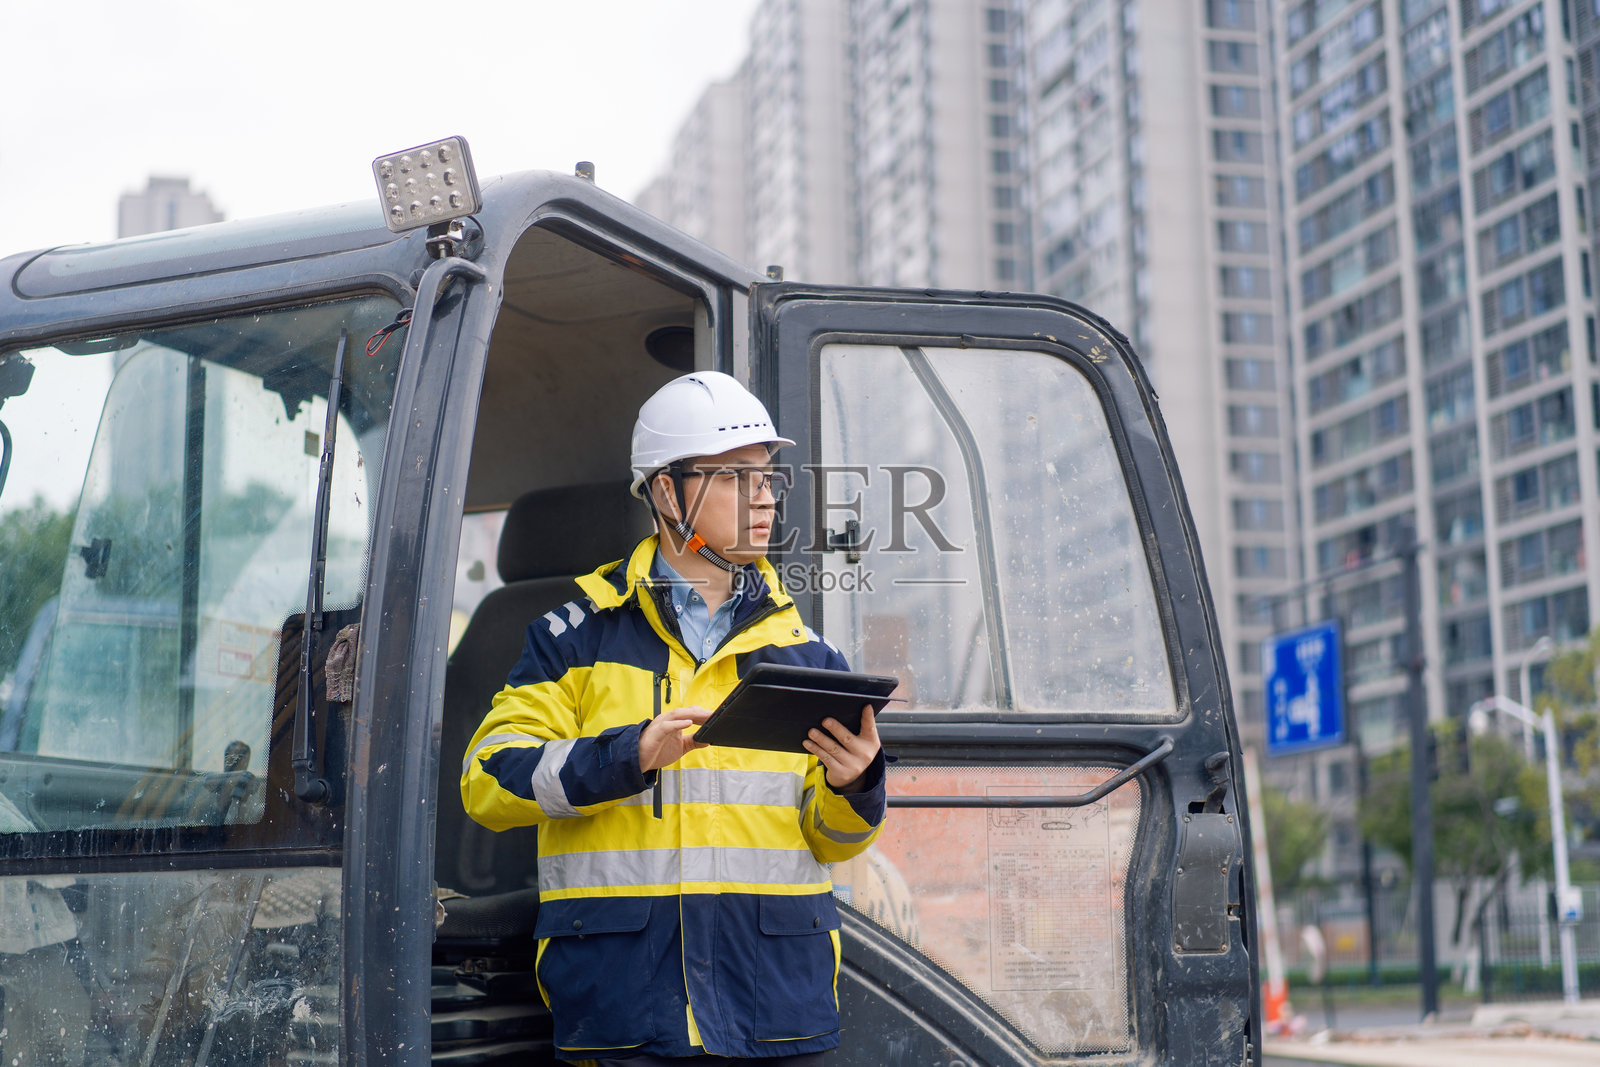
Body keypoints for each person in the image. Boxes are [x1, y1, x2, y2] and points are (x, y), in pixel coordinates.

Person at [461, 371, 886, 1065]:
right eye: (735, 477)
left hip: (776, 1015)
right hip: (627, 1015)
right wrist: (626, 755)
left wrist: (855, 786)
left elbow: (833, 839)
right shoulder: (573, 640)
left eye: (769, 477)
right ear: (666, 491)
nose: (766, 496)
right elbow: (487, 782)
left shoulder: (810, 655)